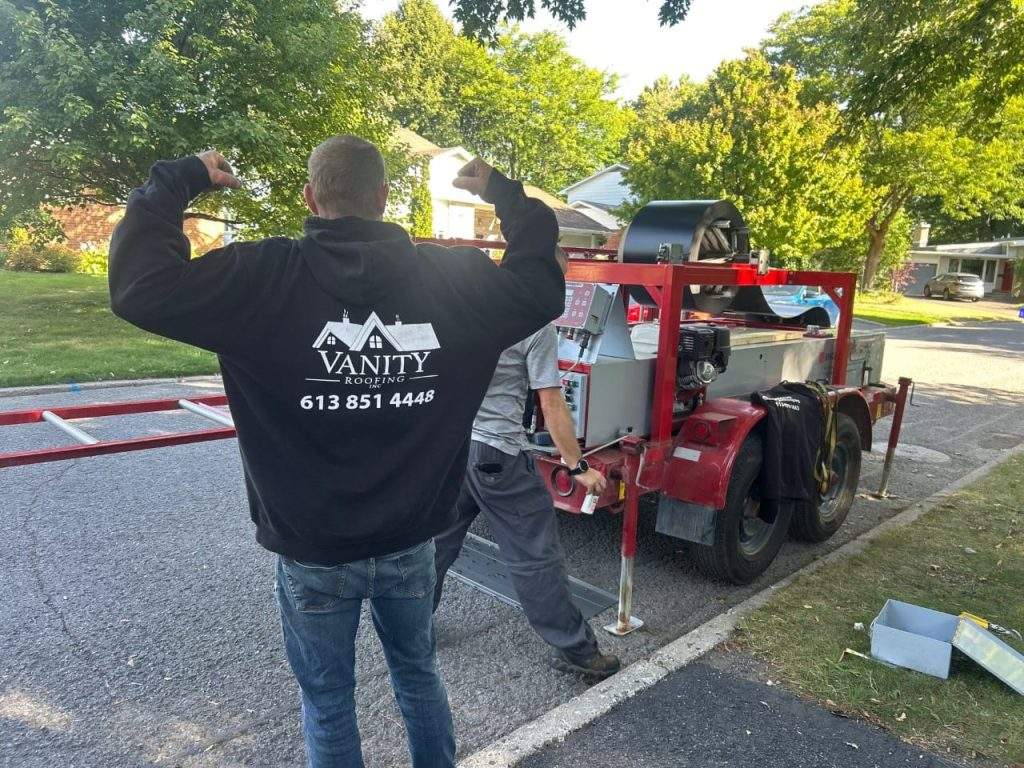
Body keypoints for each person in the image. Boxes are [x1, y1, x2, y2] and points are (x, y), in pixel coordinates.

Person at [107, 136, 564, 768]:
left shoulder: (260, 276)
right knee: (418, 675)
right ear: (382, 200)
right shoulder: (452, 279)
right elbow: (540, 283)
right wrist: (502, 193)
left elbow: (139, 283)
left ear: (310, 197)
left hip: (311, 548)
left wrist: (181, 178)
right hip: (411, 542)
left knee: (327, 700)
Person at [433, 249, 621, 680]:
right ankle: (577, 650)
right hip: (498, 455)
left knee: (438, 541)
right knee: (536, 557)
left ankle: (412, 626)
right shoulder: (533, 322)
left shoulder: (464, 305)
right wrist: (577, 468)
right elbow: (552, 404)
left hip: (456, 446)